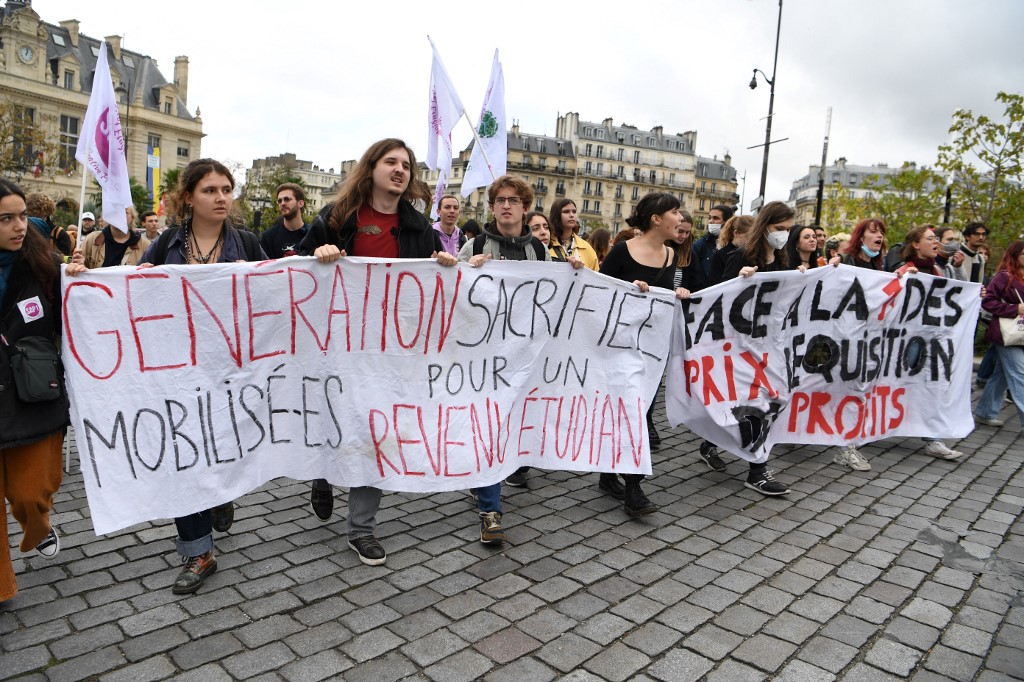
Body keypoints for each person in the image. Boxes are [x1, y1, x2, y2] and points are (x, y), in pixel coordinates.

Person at [299, 138, 456, 567]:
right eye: (391, 162)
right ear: (371, 169)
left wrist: (446, 267)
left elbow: (428, 285)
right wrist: (318, 253)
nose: (400, 170)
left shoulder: (418, 228)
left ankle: (361, 530)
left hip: (389, 353)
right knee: (337, 421)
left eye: (406, 164)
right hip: (338, 346)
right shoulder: (337, 218)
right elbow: (295, 269)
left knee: (377, 433)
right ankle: (324, 473)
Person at [459, 176, 571, 537]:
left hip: (519, 357)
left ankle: (485, 481)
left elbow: (550, 299)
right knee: (489, 424)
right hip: (480, 356)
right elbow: (449, 293)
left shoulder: (537, 252)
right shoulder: (475, 244)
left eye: (513, 200)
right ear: (492, 207)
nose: (506, 205)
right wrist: (463, 271)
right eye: (500, 200)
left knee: (502, 425)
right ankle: (491, 511)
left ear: (525, 207)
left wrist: (573, 275)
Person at [598, 192, 691, 515]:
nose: (680, 219)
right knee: (631, 413)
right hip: (618, 347)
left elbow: (665, 297)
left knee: (639, 411)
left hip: (650, 351)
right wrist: (627, 291)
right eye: (675, 213)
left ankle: (609, 475)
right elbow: (599, 290)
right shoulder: (623, 251)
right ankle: (634, 489)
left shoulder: (671, 255)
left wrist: (676, 293)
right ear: (656, 219)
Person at [0, 179, 69, 602]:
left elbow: (93, 305)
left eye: (22, 215)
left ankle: (39, 524)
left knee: (30, 494)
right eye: (6, 218)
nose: (19, 226)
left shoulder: (48, 265)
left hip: (33, 397)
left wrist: (81, 277)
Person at [716, 201, 794, 495]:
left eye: (787, 230)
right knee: (757, 405)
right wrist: (739, 279)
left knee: (774, 399)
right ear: (765, 227)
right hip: (741, 345)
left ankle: (713, 442)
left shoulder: (783, 258)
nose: (783, 235)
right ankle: (758, 471)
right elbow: (719, 295)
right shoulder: (741, 255)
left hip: (768, 345)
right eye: (779, 229)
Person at [890, 225, 964, 460]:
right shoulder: (904, 271)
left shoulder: (940, 271)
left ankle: (933, 438)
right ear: (915, 244)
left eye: (936, 239)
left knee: (933, 385)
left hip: (933, 341)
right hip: (907, 342)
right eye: (931, 239)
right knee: (893, 382)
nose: (937, 243)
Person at [976, 240, 1024, 428]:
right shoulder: (1004, 277)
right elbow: (988, 302)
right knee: (1020, 374)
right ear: (1015, 255)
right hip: (1007, 335)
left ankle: (985, 412)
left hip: (1019, 334)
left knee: (1002, 374)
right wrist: (1014, 308)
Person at [76, 208, 152, 269]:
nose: (119, 215)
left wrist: (150, 270)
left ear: (132, 218)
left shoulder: (145, 245)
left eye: (125, 212)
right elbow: (77, 270)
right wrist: (77, 265)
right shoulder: (92, 240)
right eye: (115, 211)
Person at [259, 183, 309, 259]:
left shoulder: (312, 234)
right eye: (279, 201)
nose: (282, 203)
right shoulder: (268, 237)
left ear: (300, 203)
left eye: (287, 199)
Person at [692, 204, 735, 290]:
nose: (710, 221)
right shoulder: (700, 245)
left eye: (715, 218)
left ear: (727, 222)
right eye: (709, 218)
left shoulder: (734, 247)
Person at [548, 198, 599, 269]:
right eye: (566, 212)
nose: (571, 215)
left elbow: (594, 277)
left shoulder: (586, 248)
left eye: (574, 212)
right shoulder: (546, 243)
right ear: (556, 215)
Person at [707, 215, 753, 289]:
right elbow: (713, 284)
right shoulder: (720, 255)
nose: (751, 241)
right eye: (748, 237)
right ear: (736, 233)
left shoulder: (752, 253)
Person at [25, 192, 71, 258]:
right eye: (31, 215)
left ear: (47, 213)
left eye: (38, 215)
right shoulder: (24, 231)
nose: (35, 219)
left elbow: (65, 262)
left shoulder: (59, 234)